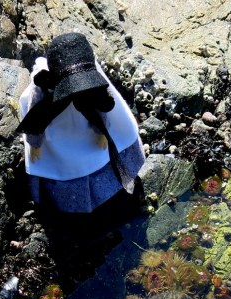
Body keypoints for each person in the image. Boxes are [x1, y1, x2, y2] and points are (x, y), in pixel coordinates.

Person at [17, 32, 146, 280]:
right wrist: (35, 144)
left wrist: (102, 131)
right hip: (60, 130)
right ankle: (72, 207)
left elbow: (103, 106)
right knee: (64, 161)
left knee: (100, 154)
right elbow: (35, 118)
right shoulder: (42, 86)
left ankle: (109, 193)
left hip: (91, 129)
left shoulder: (92, 77)